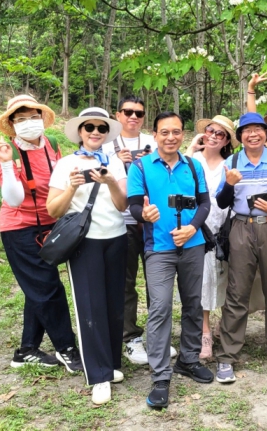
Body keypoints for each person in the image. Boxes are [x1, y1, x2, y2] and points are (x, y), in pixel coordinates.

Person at [127, 111, 214, 409]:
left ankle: (188, 360)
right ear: (155, 135)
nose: (171, 137)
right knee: (160, 308)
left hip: (193, 245)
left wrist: (192, 228)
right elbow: (134, 205)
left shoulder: (193, 165)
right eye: (164, 132)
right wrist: (143, 214)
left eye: (176, 131)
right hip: (159, 248)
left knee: (193, 304)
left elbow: (204, 203)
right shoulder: (140, 166)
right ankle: (160, 375)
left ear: (183, 134)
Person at [0, 94, 82, 373]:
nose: (29, 123)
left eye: (33, 116)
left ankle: (27, 350)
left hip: (51, 224)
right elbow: (14, 198)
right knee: (48, 287)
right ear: (12, 124)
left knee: (38, 287)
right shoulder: (8, 151)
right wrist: (6, 163)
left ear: (42, 118)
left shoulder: (51, 144)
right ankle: (67, 348)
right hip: (20, 227)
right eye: (21, 119)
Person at [46, 108, 128, 405]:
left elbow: (122, 205)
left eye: (101, 128)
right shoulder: (66, 164)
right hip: (85, 242)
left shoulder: (115, 163)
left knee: (113, 304)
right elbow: (53, 210)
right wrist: (71, 186)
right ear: (80, 132)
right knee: (90, 307)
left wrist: (110, 182)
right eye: (89, 127)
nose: (95, 132)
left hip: (116, 238)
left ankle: (111, 363)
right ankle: (99, 375)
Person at [214, 112, 267, 383]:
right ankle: (227, 356)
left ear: (266, 133)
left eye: (258, 129)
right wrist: (230, 184)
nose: (253, 134)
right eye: (247, 130)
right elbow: (221, 201)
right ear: (240, 136)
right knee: (237, 291)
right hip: (241, 227)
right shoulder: (231, 162)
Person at [101, 96, 177, 365]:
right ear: (118, 114)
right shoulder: (105, 142)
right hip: (121, 221)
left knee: (159, 281)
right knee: (126, 282)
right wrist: (115, 160)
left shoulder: (153, 141)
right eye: (128, 112)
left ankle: (158, 336)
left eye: (139, 113)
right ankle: (130, 337)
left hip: (154, 222)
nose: (133, 117)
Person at [185, 114, 238, 360]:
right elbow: (177, 175)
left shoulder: (230, 164)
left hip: (224, 229)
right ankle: (204, 332)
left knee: (227, 280)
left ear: (226, 140)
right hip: (196, 228)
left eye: (220, 134)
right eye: (210, 130)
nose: (214, 136)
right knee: (203, 281)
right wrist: (191, 147)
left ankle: (222, 325)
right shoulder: (192, 160)